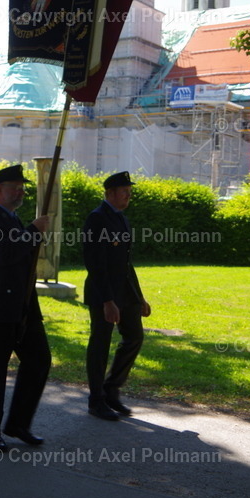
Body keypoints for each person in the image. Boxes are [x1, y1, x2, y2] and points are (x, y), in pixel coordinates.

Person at [0, 164, 51, 451]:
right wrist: (33, 231)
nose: (20, 192)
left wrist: (30, 233)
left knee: (40, 360)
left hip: (24, 306)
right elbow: (5, 254)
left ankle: (18, 423)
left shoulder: (14, 220)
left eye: (22, 187)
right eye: (14, 187)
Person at [83, 171, 151, 421]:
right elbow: (95, 264)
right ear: (110, 193)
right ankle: (96, 400)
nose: (129, 195)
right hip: (104, 294)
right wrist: (107, 301)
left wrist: (139, 297)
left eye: (129, 191)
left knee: (134, 337)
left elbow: (126, 263)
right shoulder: (97, 219)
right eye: (125, 191)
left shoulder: (122, 219)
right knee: (100, 344)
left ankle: (111, 389)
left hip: (125, 292)